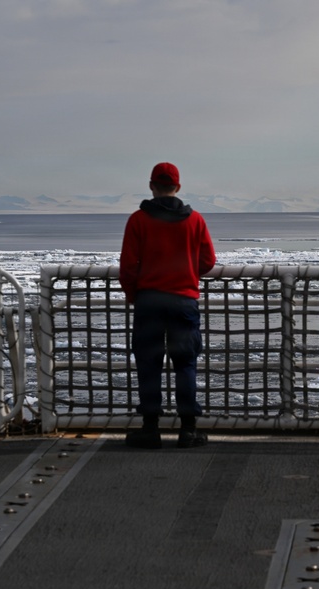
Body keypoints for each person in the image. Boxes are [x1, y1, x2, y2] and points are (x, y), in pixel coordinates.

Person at [119, 162, 216, 448]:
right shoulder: (195, 220)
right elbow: (208, 261)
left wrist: (135, 294)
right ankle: (188, 430)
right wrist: (186, 273)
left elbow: (127, 266)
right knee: (185, 362)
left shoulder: (138, 220)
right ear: (178, 188)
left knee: (149, 364)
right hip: (183, 300)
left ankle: (150, 429)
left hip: (149, 301)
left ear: (151, 186)